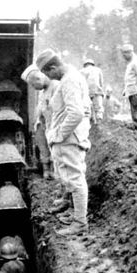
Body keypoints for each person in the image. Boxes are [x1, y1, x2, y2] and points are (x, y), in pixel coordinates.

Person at [36, 49, 91, 236]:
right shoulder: (74, 77)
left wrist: (59, 134)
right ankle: (76, 215)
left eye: (47, 73)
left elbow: (76, 113)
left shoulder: (69, 81)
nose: (48, 77)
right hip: (72, 137)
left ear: (52, 68)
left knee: (75, 180)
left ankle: (80, 223)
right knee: (73, 178)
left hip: (68, 139)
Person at [21, 64, 59, 180]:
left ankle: (54, 171)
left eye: (33, 84)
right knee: (43, 147)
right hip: (43, 125)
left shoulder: (56, 86)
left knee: (54, 148)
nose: (33, 88)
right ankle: (46, 171)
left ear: (39, 78)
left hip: (54, 125)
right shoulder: (42, 92)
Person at [80, 58, 104, 126]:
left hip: (86, 92)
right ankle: (99, 123)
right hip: (97, 91)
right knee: (98, 108)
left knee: (87, 108)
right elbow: (101, 82)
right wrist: (101, 91)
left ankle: (90, 123)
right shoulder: (98, 70)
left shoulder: (82, 71)